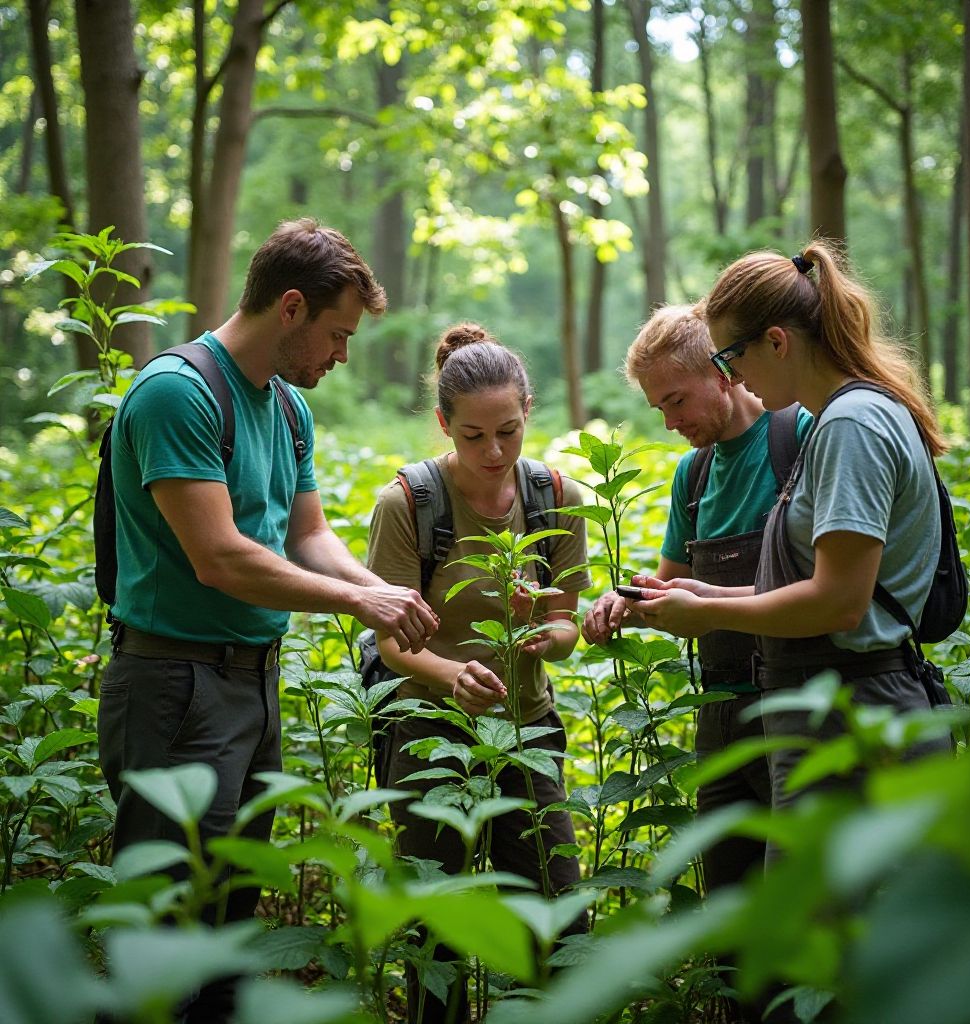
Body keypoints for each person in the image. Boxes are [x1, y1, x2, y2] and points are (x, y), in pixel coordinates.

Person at [97, 219, 438, 1023]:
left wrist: (381, 593)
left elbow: (306, 535)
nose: (341, 355)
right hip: (173, 689)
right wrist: (362, 601)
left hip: (252, 686)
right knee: (162, 935)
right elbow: (220, 556)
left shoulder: (286, 407)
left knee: (229, 928)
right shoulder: (178, 393)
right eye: (336, 334)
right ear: (290, 308)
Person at [629, 241, 952, 814]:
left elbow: (840, 605)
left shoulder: (851, 424)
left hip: (855, 716)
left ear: (776, 342)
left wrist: (709, 612)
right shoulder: (848, 417)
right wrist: (711, 592)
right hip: (834, 710)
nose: (733, 377)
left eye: (730, 359)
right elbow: (832, 590)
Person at [367, 323, 591, 1024]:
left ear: (529, 412)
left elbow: (567, 631)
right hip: (428, 738)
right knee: (437, 928)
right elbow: (392, 643)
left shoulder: (559, 498)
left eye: (510, 431)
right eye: (472, 436)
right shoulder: (407, 504)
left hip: (528, 732)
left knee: (555, 918)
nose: (494, 452)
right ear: (443, 424)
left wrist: (537, 631)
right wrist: (450, 672)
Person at [583, 304, 813, 896]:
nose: (668, 422)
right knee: (729, 911)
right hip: (720, 716)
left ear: (724, 373)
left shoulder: (800, 437)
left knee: (800, 911)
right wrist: (625, 603)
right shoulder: (695, 474)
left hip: (800, 708)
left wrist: (705, 602)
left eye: (676, 401)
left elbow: (830, 588)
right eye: (658, 407)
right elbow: (671, 592)